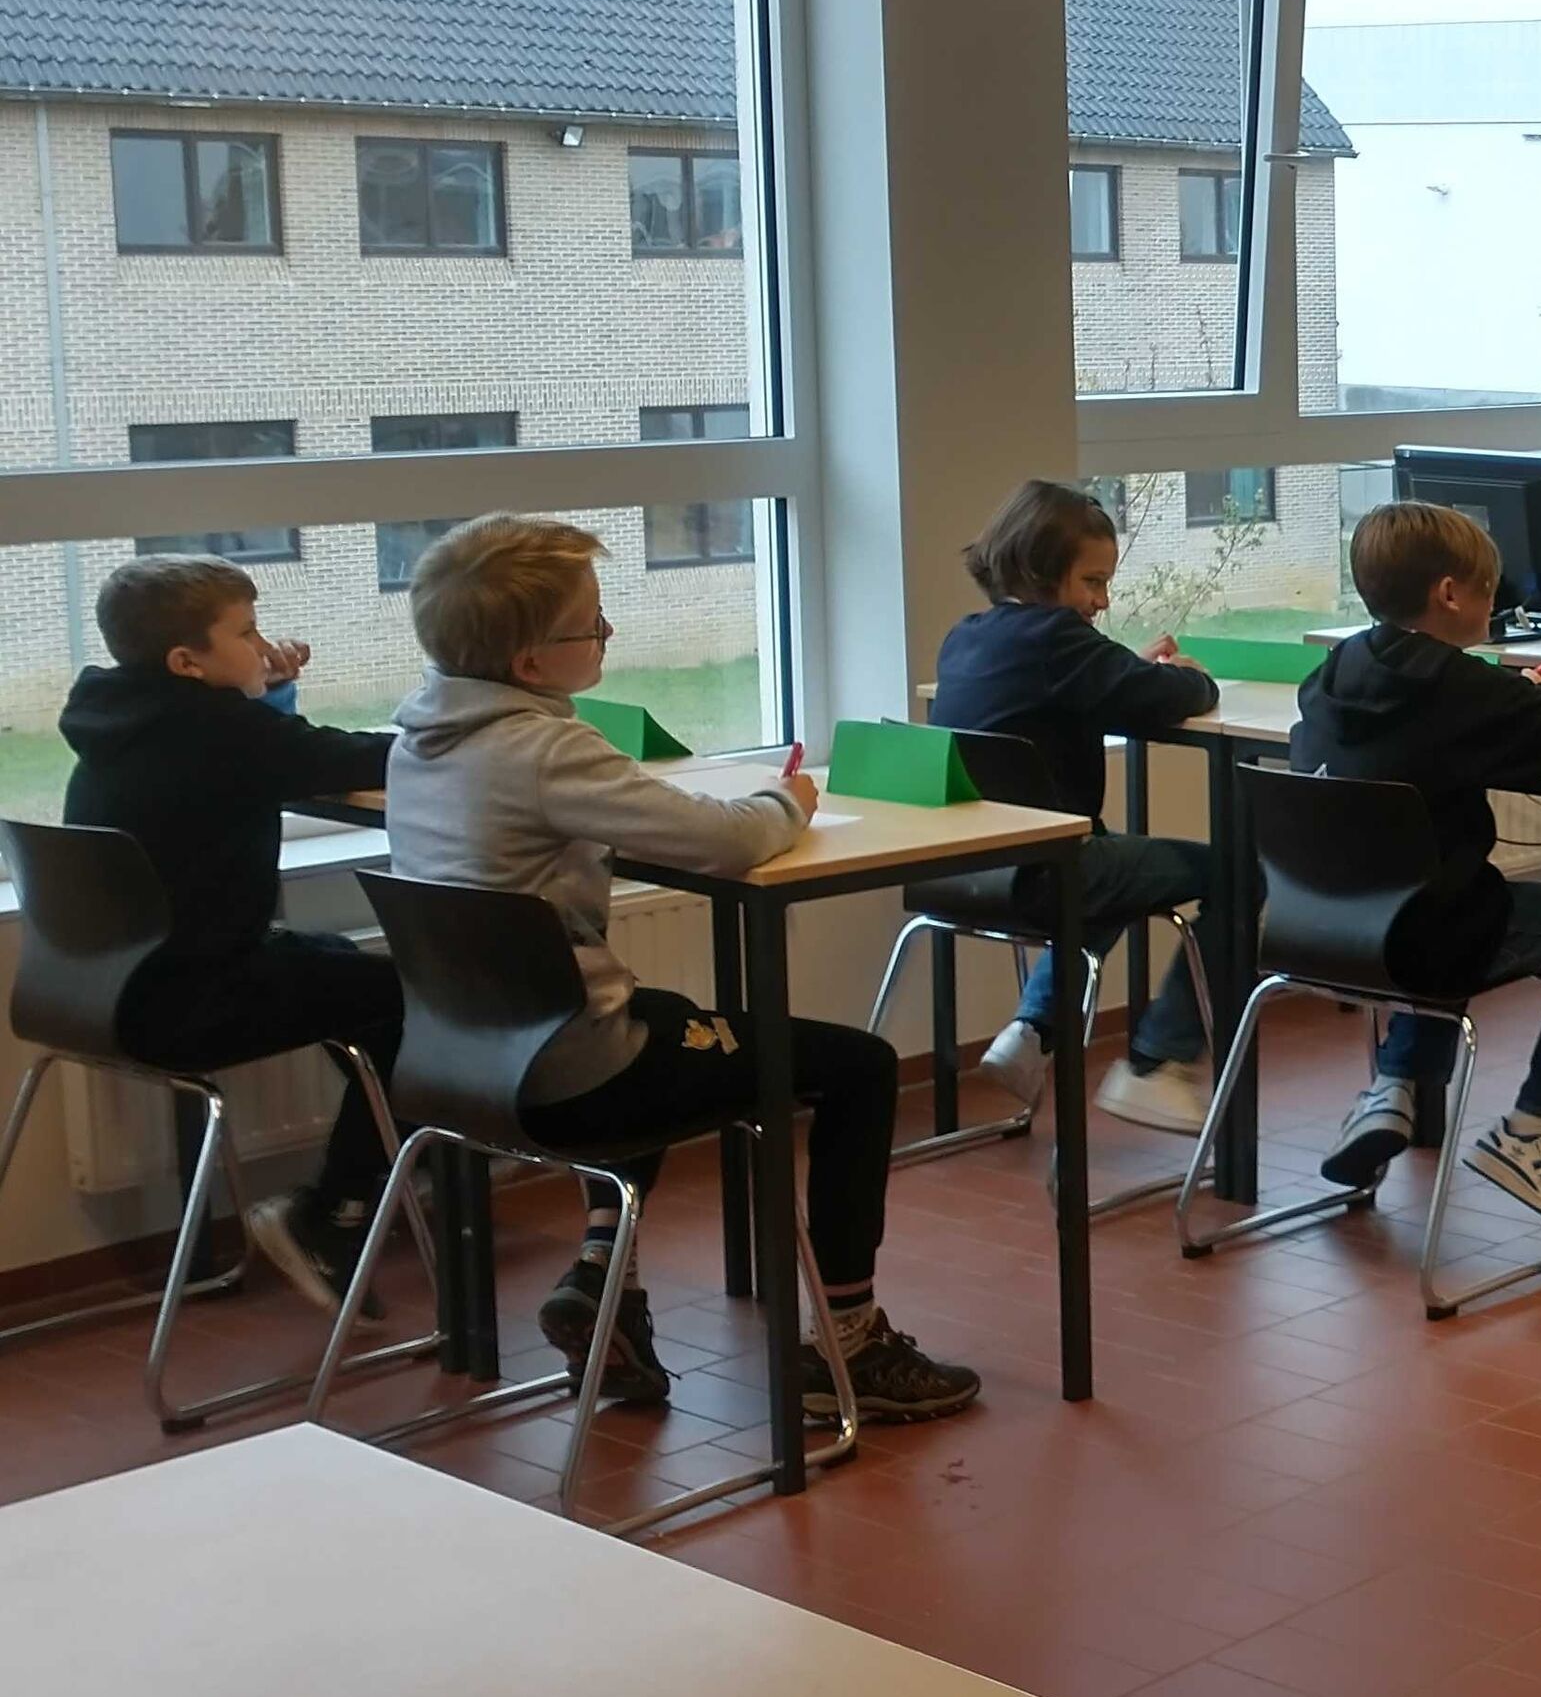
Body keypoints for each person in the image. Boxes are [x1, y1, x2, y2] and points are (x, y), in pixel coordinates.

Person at [385, 514, 980, 1422]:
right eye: (591, 624)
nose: (607, 634)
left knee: (661, 1017)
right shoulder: (545, 748)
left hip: (458, 1063)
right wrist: (787, 799)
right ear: (531, 662)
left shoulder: (418, 740)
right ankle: (849, 1341)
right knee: (859, 1067)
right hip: (570, 1076)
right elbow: (726, 842)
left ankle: (603, 1277)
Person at [57, 556, 406, 1307]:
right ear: (187, 662)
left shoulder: (117, 715)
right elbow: (357, 756)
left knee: (341, 966)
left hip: (97, 991)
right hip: (191, 1000)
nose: (263, 644)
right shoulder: (218, 731)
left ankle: (386, 1153)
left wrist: (265, 693)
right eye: (246, 633)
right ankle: (334, 1213)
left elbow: (268, 754)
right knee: (420, 1002)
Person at [1291, 502, 1541, 1231]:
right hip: (1426, 941)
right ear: (1450, 594)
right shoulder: (1467, 691)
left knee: (1444, 888)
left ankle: (1393, 1087)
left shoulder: (1329, 676)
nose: (1497, 604)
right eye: (1489, 590)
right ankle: (1538, 1129)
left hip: (1319, 930)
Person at [928, 479, 1224, 1137]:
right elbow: (1183, 695)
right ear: (1041, 570)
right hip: (1046, 876)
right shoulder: (1062, 641)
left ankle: (1034, 1030)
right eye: (1092, 582)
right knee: (1237, 873)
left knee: (1109, 859)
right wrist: (1185, 675)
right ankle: (1161, 1063)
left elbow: (1081, 684)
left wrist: (1125, 668)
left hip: (965, 873)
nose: (1103, 600)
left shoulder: (967, 637)